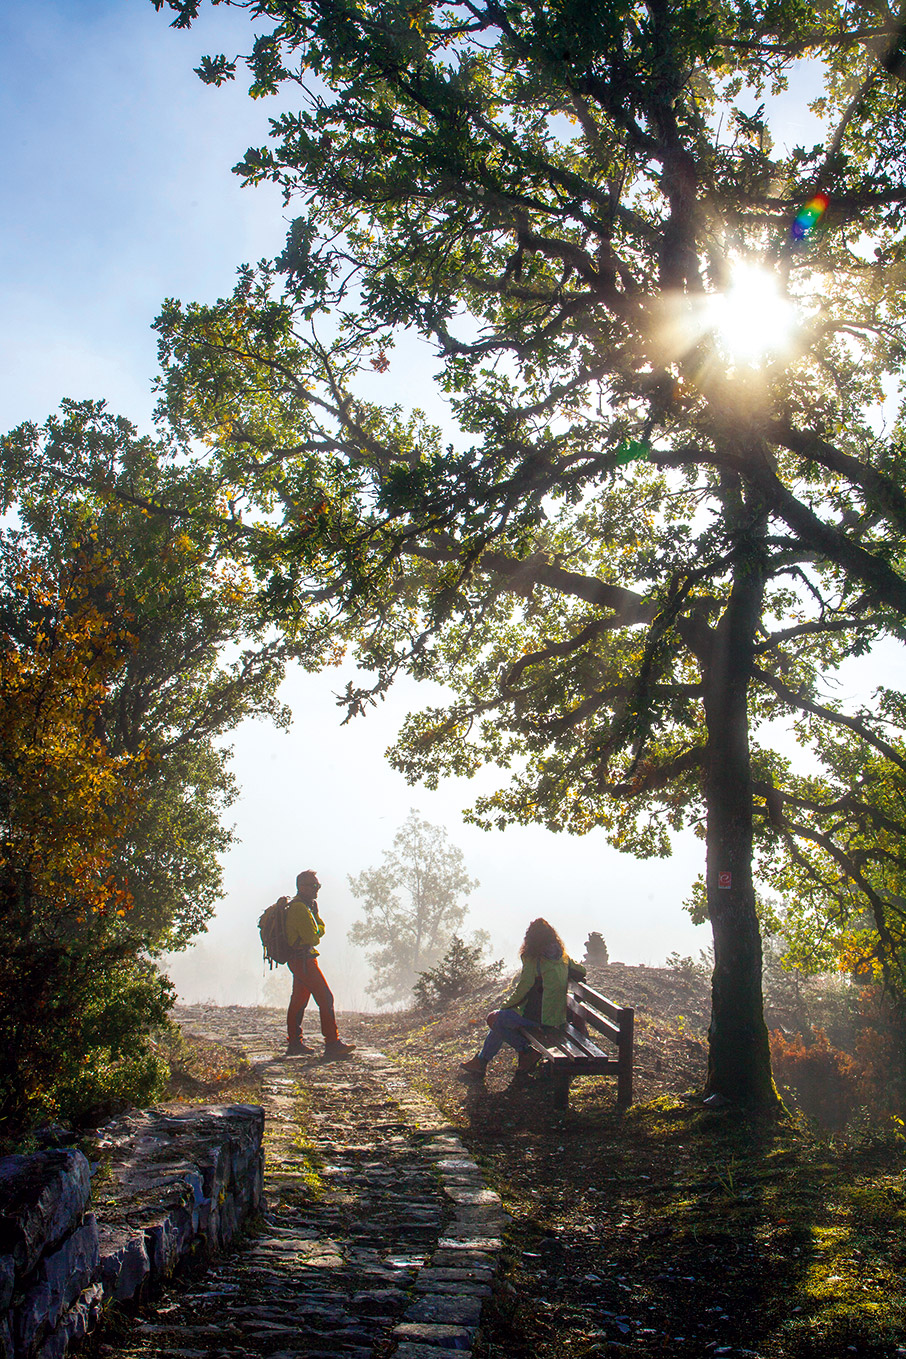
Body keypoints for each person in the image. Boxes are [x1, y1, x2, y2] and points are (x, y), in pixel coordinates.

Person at [460, 918, 586, 1077]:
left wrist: (505, 1006)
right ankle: (482, 1061)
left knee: (494, 1019)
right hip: (556, 1017)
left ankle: (525, 1051)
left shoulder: (535, 960)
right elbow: (582, 971)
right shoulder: (563, 957)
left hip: (539, 1018)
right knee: (500, 1021)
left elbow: (522, 990)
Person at [284, 870, 355, 1059]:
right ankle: (332, 1043)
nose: (317, 890)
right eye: (314, 886)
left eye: (318, 886)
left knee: (299, 1001)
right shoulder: (300, 909)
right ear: (301, 887)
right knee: (326, 998)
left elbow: (319, 930)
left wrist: (316, 925)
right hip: (304, 960)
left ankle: (294, 1044)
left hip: (300, 960)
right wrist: (317, 929)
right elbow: (313, 937)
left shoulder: (306, 907)